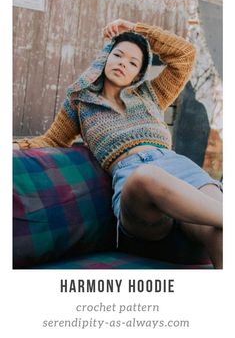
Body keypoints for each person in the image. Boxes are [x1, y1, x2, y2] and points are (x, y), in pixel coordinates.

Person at [13, 19, 222, 268]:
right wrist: (15, 146)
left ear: (138, 73)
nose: (123, 63)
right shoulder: (81, 102)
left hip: (180, 168)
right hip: (137, 183)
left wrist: (136, 29)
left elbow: (184, 55)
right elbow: (51, 140)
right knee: (147, 175)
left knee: (219, 233)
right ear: (105, 57)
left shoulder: (151, 94)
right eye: (118, 55)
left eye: (133, 62)